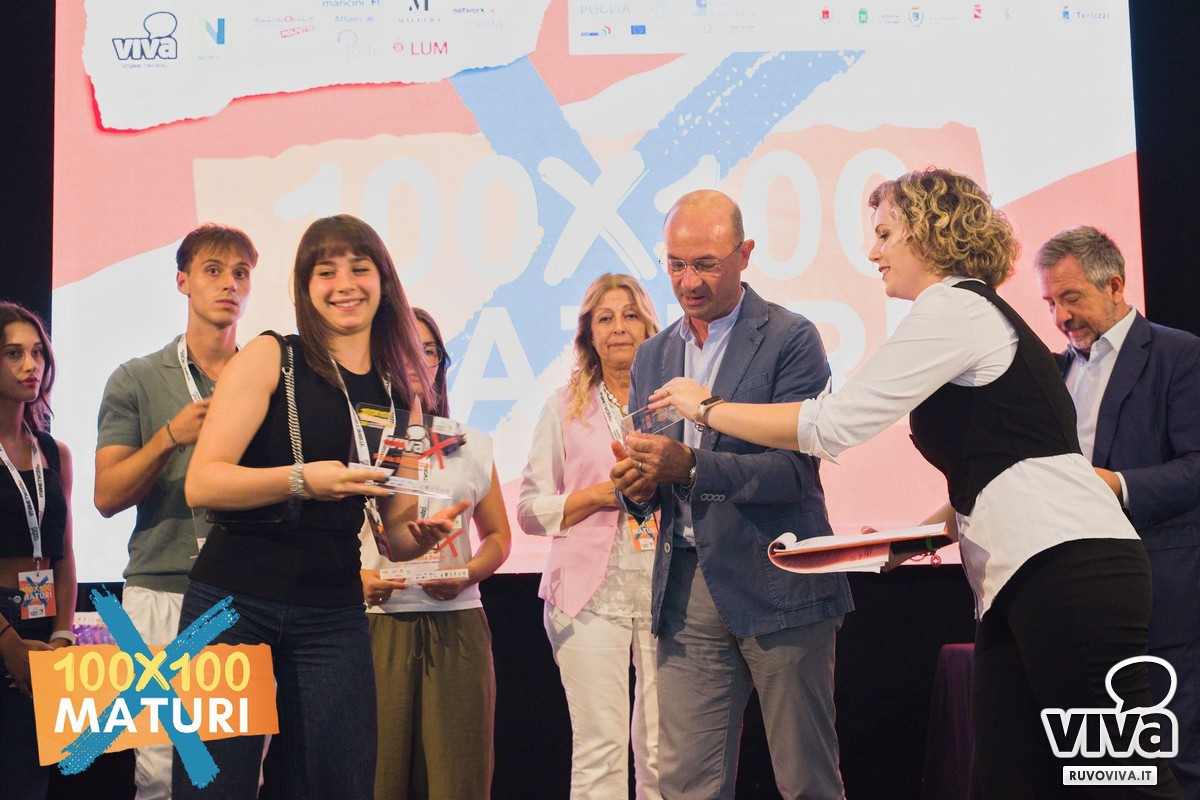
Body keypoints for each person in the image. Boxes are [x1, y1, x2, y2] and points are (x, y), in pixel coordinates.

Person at [651, 169, 1183, 798]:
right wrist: (918, 537)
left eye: (884, 234)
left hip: (1070, 567)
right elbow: (998, 464)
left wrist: (707, 408)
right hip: (1031, 572)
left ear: (929, 234)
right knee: (1010, 780)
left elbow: (834, 424)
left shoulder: (954, 307)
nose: (872, 251)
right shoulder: (968, 312)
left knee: (1123, 777)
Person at [173, 215, 467, 800]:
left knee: (342, 783)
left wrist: (420, 536)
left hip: (331, 610)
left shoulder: (401, 394)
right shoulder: (272, 357)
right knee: (216, 788)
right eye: (326, 272)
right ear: (305, 287)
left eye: (359, 268)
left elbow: (395, 533)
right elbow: (202, 484)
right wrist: (302, 480)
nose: (344, 285)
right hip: (232, 601)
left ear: (383, 280)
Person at [610, 190, 852, 800]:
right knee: (685, 783)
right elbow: (652, 477)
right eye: (675, 264)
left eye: (706, 264)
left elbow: (794, 473)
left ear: (744, 255)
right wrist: (638, 488)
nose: (688, 282)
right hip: (686, 586)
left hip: (779, 576)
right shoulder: (653, 354)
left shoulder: (790, 338)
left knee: (806, 779)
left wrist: (692, 467)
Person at [1036, 226, 1200, 798]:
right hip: (1078, 597)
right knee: (1105, 769)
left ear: (1114, 285)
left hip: (1160, 595)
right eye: (1050, 303)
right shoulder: (1053, 373)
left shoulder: (1179, 355)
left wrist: (1119, 485)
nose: (1061, 317)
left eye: (1071, 298)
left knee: (1171, 763)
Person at [95, 222, 256, 800]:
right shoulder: (137, 378)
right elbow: (106, 496)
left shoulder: (267, 379)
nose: (229, 284)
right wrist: (169, 436)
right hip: (161, 592)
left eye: (241, 273)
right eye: (213, 271)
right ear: (183, 281)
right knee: (162, 771)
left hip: (247, 596)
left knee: (237, 771)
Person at [518, 273, 663, 800]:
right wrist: (602, 495)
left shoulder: (674, 402)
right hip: (587, 598)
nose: (619, 327)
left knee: (662, 752)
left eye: (630, 315)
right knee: (600, 750)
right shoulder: (563, 407)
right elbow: (529, 511)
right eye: (605, 318)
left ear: (649, 326)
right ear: (589, 334)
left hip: (667, 593)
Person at [359, 307, 511, 800]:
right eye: (405, 348)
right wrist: (357, 579)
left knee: (458, 781)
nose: (417, 361)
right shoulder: (358, 439)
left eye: (428, 350)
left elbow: (498, 537)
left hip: (457, 622)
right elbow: (323, 536)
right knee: (376, 780)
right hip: (376, 625)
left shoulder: (470, 443)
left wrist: (467, 573)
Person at [0, 301, 76, 800]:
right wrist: (7, 641)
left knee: (29, 776)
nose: (31, 365)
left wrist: (63, 635)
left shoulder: (53, 451)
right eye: (13, 353)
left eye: (37, 353)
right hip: (3, 621)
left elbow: (65, 555)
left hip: (42, 617)